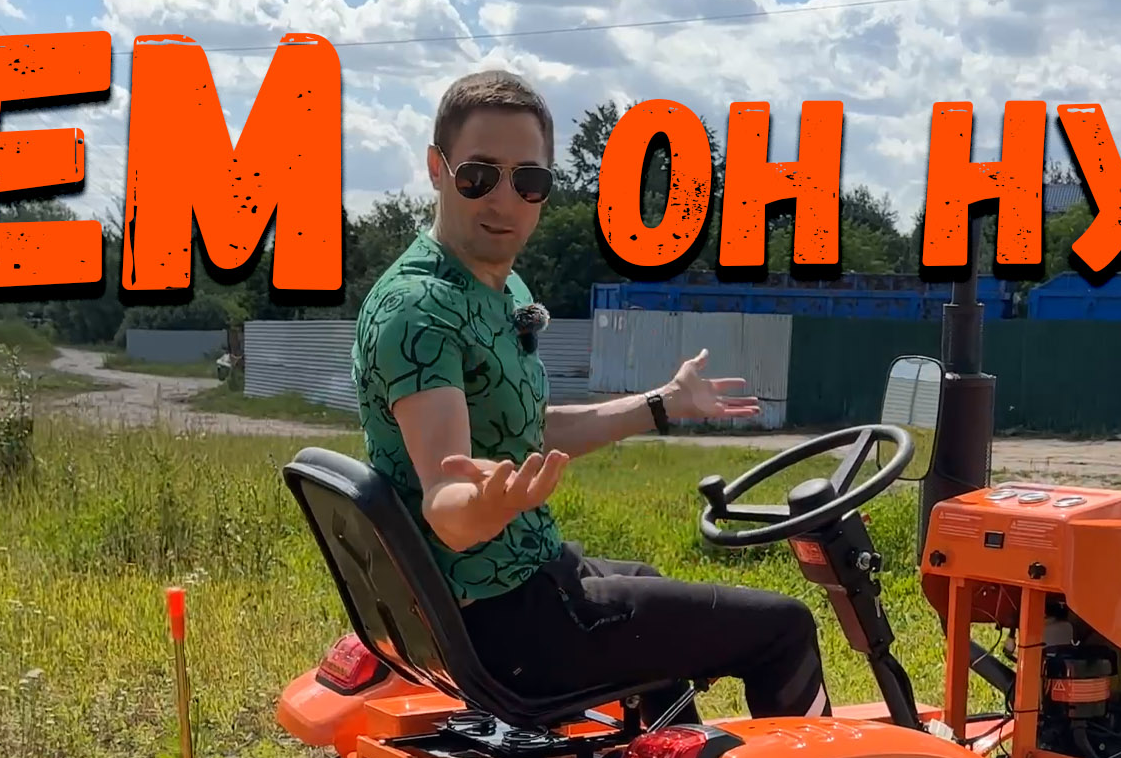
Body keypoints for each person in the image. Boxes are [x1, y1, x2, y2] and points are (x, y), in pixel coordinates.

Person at [351, 70, 832, 720]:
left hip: (528, 581)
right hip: (506, 623)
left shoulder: (495, 288)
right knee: (784, 627)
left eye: (528, 180)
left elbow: (525, 430)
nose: (504, 201)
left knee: (651, 591)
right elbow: (446, 499)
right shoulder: (421, 310)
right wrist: (484, 506)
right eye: (479, 175)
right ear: (437, 169)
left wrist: (663, 402)